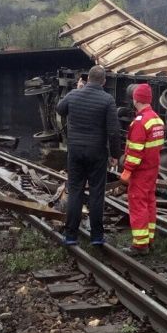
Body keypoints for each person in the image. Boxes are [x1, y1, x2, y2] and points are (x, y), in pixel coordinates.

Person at [56, 65, 120, 246]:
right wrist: (115, 155)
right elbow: (114, 131)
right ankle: (97, 236)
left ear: (87, 79)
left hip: (75, 151)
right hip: (97, 153)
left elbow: (60, 109)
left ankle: (70, 236)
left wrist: (75, 91)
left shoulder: (74, 95)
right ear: (104, 81)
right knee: (97, 193)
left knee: (75, 191)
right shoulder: (108, 100)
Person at [120, 83, 164, 255]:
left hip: (140, 171)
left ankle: (140, 244)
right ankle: (149, 238)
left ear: (136, 99)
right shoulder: (157, 120)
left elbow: (135, 151)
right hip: (152, 170)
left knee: (138, 205)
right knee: (150, 203)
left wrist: (127, 170)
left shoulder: (140, 122)